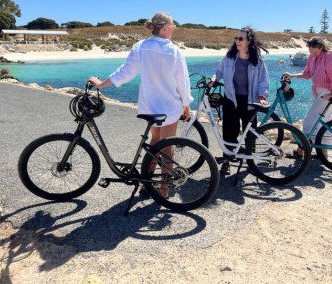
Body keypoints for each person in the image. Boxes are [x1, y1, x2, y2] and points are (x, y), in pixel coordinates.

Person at [88, 12, 193, 195]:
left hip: (150, 106)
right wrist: (186, 103)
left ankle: (147, 181)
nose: (173, 32)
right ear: (165, 28)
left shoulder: (141, 47)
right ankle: (164, 188)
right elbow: (182, 81)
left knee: (155, 142)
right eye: (172, 28)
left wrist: (101, 85)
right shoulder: (174, 51)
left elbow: (125, 72)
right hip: (169, 106)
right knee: (167, 147)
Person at [210, 27, 269, 175]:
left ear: (249, 41)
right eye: (236, 38)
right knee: (229, 131)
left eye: (241, 39)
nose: (237, 41)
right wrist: (214, 79)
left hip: (250, 101)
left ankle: (250, 160)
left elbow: (263, 80)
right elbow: (219, 71)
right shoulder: (229, 57)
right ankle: (226, 162)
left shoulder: (257, 60)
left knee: (251, 132)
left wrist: (262, 96)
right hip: (231, 99)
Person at [284, 36, 332, 144]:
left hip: (327, 92)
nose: (313, 54)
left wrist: (331, 94)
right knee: (321, 122)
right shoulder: (312, 57)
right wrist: (292, 75)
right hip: (318, 92)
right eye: (311, 51)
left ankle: (302, 150)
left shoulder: (329, 57)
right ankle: (322, 151)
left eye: (315, 52)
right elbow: (307, 74)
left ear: (321, 47)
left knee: (308, 121)